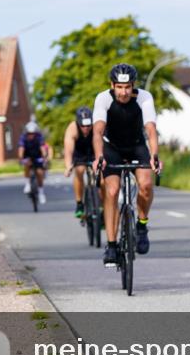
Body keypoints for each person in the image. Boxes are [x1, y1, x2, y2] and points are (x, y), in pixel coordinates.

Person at [92, 63, 163, 267]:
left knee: (147, 185)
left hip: (136, 146)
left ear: (133, 86)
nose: (123, 92)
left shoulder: (144, 97)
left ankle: (141, 225)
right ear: (112, 85)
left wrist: (154, 154)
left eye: (127, 87)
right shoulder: (103, 98)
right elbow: (97, 131)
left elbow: (150, 129)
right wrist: (98, 156)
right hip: (111, 148)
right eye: (119, 87)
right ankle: (112, 245)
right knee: (112, 191)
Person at [63, 106, 98, 219]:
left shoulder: (97, 125)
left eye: (89, 125)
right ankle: (79, 204)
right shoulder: (72, 128)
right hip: (79, 152)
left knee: (100, 174)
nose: (86, 128)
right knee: (79, 170)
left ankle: (100, 205)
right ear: (78, 123)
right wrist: (68, 166)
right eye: (83, 125)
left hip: (94, 150)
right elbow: (68, 150)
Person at [18, 121, 50, 204]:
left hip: (37, 156)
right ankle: (27, 183)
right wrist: (21, 158)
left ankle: (41, 192)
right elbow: (21, 149)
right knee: (27, 165)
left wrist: (44, 157)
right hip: (27, 155)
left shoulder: (39, 137)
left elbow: (42, 148)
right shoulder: (23, 137)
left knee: (39, 172)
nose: (31, 135)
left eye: (33, 133)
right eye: (29, 133)